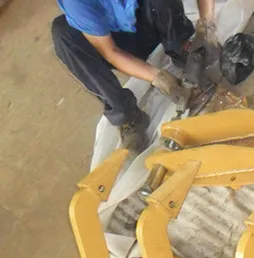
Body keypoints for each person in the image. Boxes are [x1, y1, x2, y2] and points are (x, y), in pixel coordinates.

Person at [51, 0, 218, 152]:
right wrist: (161, 79)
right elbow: (110, 51)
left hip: (151, 20)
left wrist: (206, 26)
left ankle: (183, 50)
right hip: (117, 43)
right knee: (63, 34)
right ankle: (126, 115)